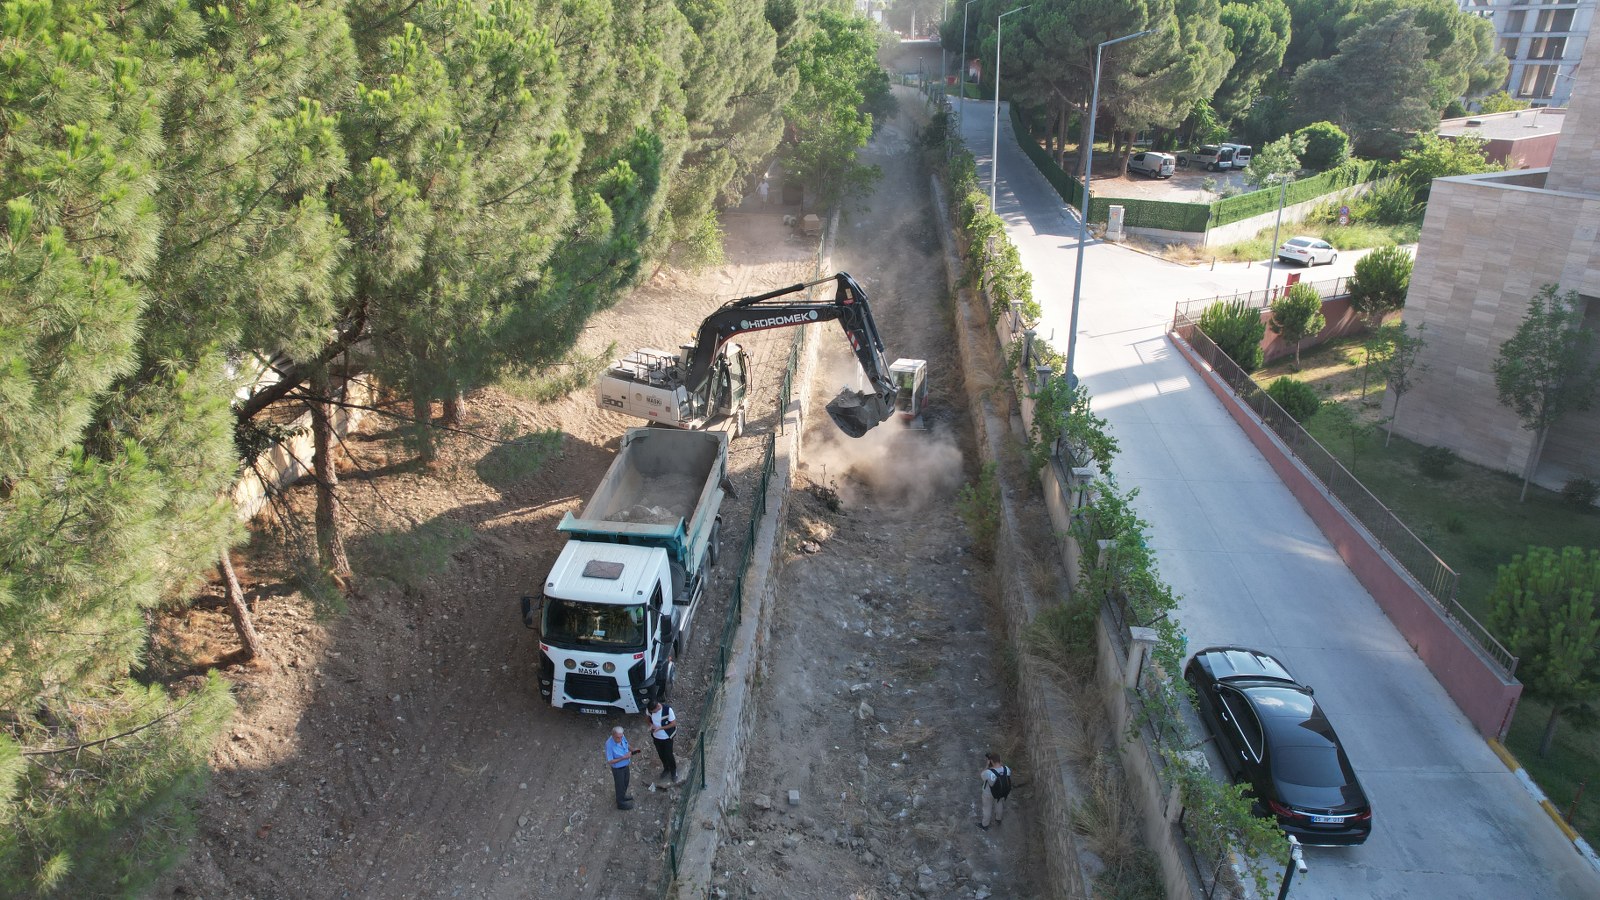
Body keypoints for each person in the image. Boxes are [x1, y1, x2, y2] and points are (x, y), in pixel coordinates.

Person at [604, 725, 640, 810]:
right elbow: (610, 761)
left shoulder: (621, 736)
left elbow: (626, 744)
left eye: (621, 737)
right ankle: (620, 803)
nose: (620, 739)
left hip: (625, 765)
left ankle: (622, 796)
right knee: (619, 785)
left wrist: (633, 749)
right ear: (613, 735)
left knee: (625, 782)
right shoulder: (609, 744)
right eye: (617, 738)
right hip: (617, 769)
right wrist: (623, 757)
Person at [647, 699, 681, 785]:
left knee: (669, 755)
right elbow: (647, 717)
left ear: (658, 707)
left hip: (666, 738)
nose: (653, 713)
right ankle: (666, 768)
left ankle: (673, 771)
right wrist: (651, 725)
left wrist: (660, 728)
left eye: (654, 712)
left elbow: (673, 724)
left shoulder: (668, 710)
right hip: (656, 738)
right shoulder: (650, 709)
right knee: (661, 754)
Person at [978, 752, 1011, 830]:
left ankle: (985, 825)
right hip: (1001, 792)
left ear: (991, 761)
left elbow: (982, 776)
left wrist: (987, 765)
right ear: (1000, 760)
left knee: (987, 808)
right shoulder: (1007, 769)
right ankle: (998, 819)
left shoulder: (988, 772)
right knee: (999, 803)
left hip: (988, 794)